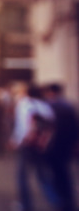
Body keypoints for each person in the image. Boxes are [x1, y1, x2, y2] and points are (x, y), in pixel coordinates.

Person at [9, 83, 58, 211]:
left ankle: (26, 205)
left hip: (26, 146)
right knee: (42, 176)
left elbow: (22, 127)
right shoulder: (45, 106)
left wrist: (16, 141)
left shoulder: (24, 104)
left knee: (22, 176)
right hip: (40, 146)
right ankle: (55, 201)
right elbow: (52, 126)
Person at [42, 83, 79, 211]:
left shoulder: (49, 107)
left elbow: (47, 128)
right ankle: (69, 201)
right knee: (65, 174)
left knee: (57, 175)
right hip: (67, 146)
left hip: (53, 147)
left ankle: (64, 203)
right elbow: (75, 127)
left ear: (51, 92)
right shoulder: (69, 106)